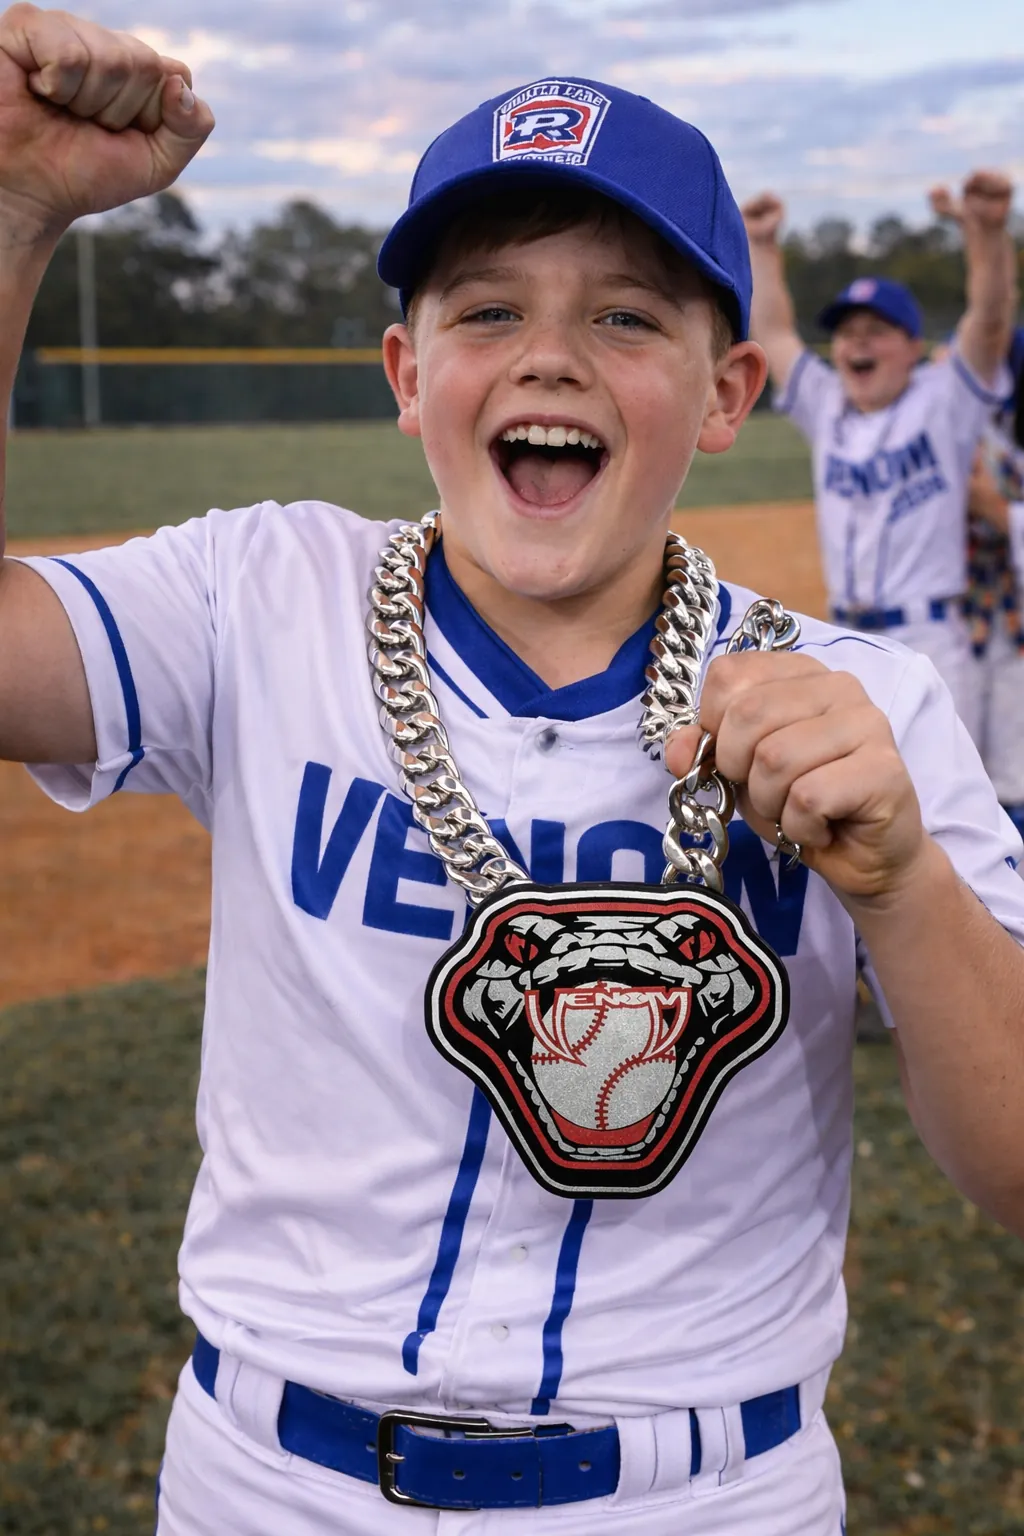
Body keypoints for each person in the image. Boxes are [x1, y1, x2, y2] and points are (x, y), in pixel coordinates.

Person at [2, 11, 1024, 1534]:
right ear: (408, 375)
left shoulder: (863, 705)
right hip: (269, 1482)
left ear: (728, 392)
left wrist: (904, 885)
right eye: (487, 310)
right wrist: (14, 216)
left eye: (627, 318)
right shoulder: (257, 597)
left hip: (699, 1494)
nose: (549, 354)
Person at [741, 182, 1015, 732]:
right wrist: (761, 246)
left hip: (930, 639)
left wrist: (987, 233)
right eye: (845, 333)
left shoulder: (945, 400)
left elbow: (988, 322)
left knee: (932, 787)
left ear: (914, 347)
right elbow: (773, 331)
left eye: (875, 331)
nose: (856, 344)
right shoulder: (827, 404)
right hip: (842, 638)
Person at [963, 328, 1024, 834]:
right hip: (976, 619)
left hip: (1010, 625)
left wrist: (996, 508)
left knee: (1012, 769)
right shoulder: (979, 432)